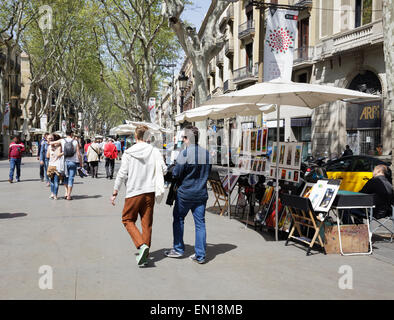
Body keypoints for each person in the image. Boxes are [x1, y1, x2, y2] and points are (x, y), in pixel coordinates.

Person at [111, 125, 167, 267]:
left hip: (134, 192)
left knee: (127, 219)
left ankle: (141, 246)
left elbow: (122, 173)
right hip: (150, 192)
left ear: (135, 137)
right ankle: (145, 255)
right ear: (148, 137)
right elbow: (164, 169)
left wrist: (115, 191)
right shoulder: (154, 151)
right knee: (146, 224)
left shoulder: (129, 152)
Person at [164, 125, 212, 264]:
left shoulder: (184, 154)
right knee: (200, 224)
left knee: (178, 219)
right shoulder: (206, 154)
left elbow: (176, 173)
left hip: (185, 194)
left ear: (187, 139)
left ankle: (178, 249)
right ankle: (200, 255)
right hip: (201, 193)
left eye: (184, 137)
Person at [50, 129, 83, 200]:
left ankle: (66, 192)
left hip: (64, 162)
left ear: (66, 134)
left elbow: (51, 143)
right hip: (73, 162)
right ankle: (68, 195)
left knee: (65, 177)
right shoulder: (75, 141)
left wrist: (53, 147)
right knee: (71, 178)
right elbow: (78, 154)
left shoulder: (62, 140)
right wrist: (81, 163)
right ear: (72, 134)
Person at [46, 134, 63, 200]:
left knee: (52, 181)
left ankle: (52, 194)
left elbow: (47, 156)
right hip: (57, 166)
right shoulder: (59, 146)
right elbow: (59, 155)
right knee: (56, 181)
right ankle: (55, 195)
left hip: (51, 165)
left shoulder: (49, 147)